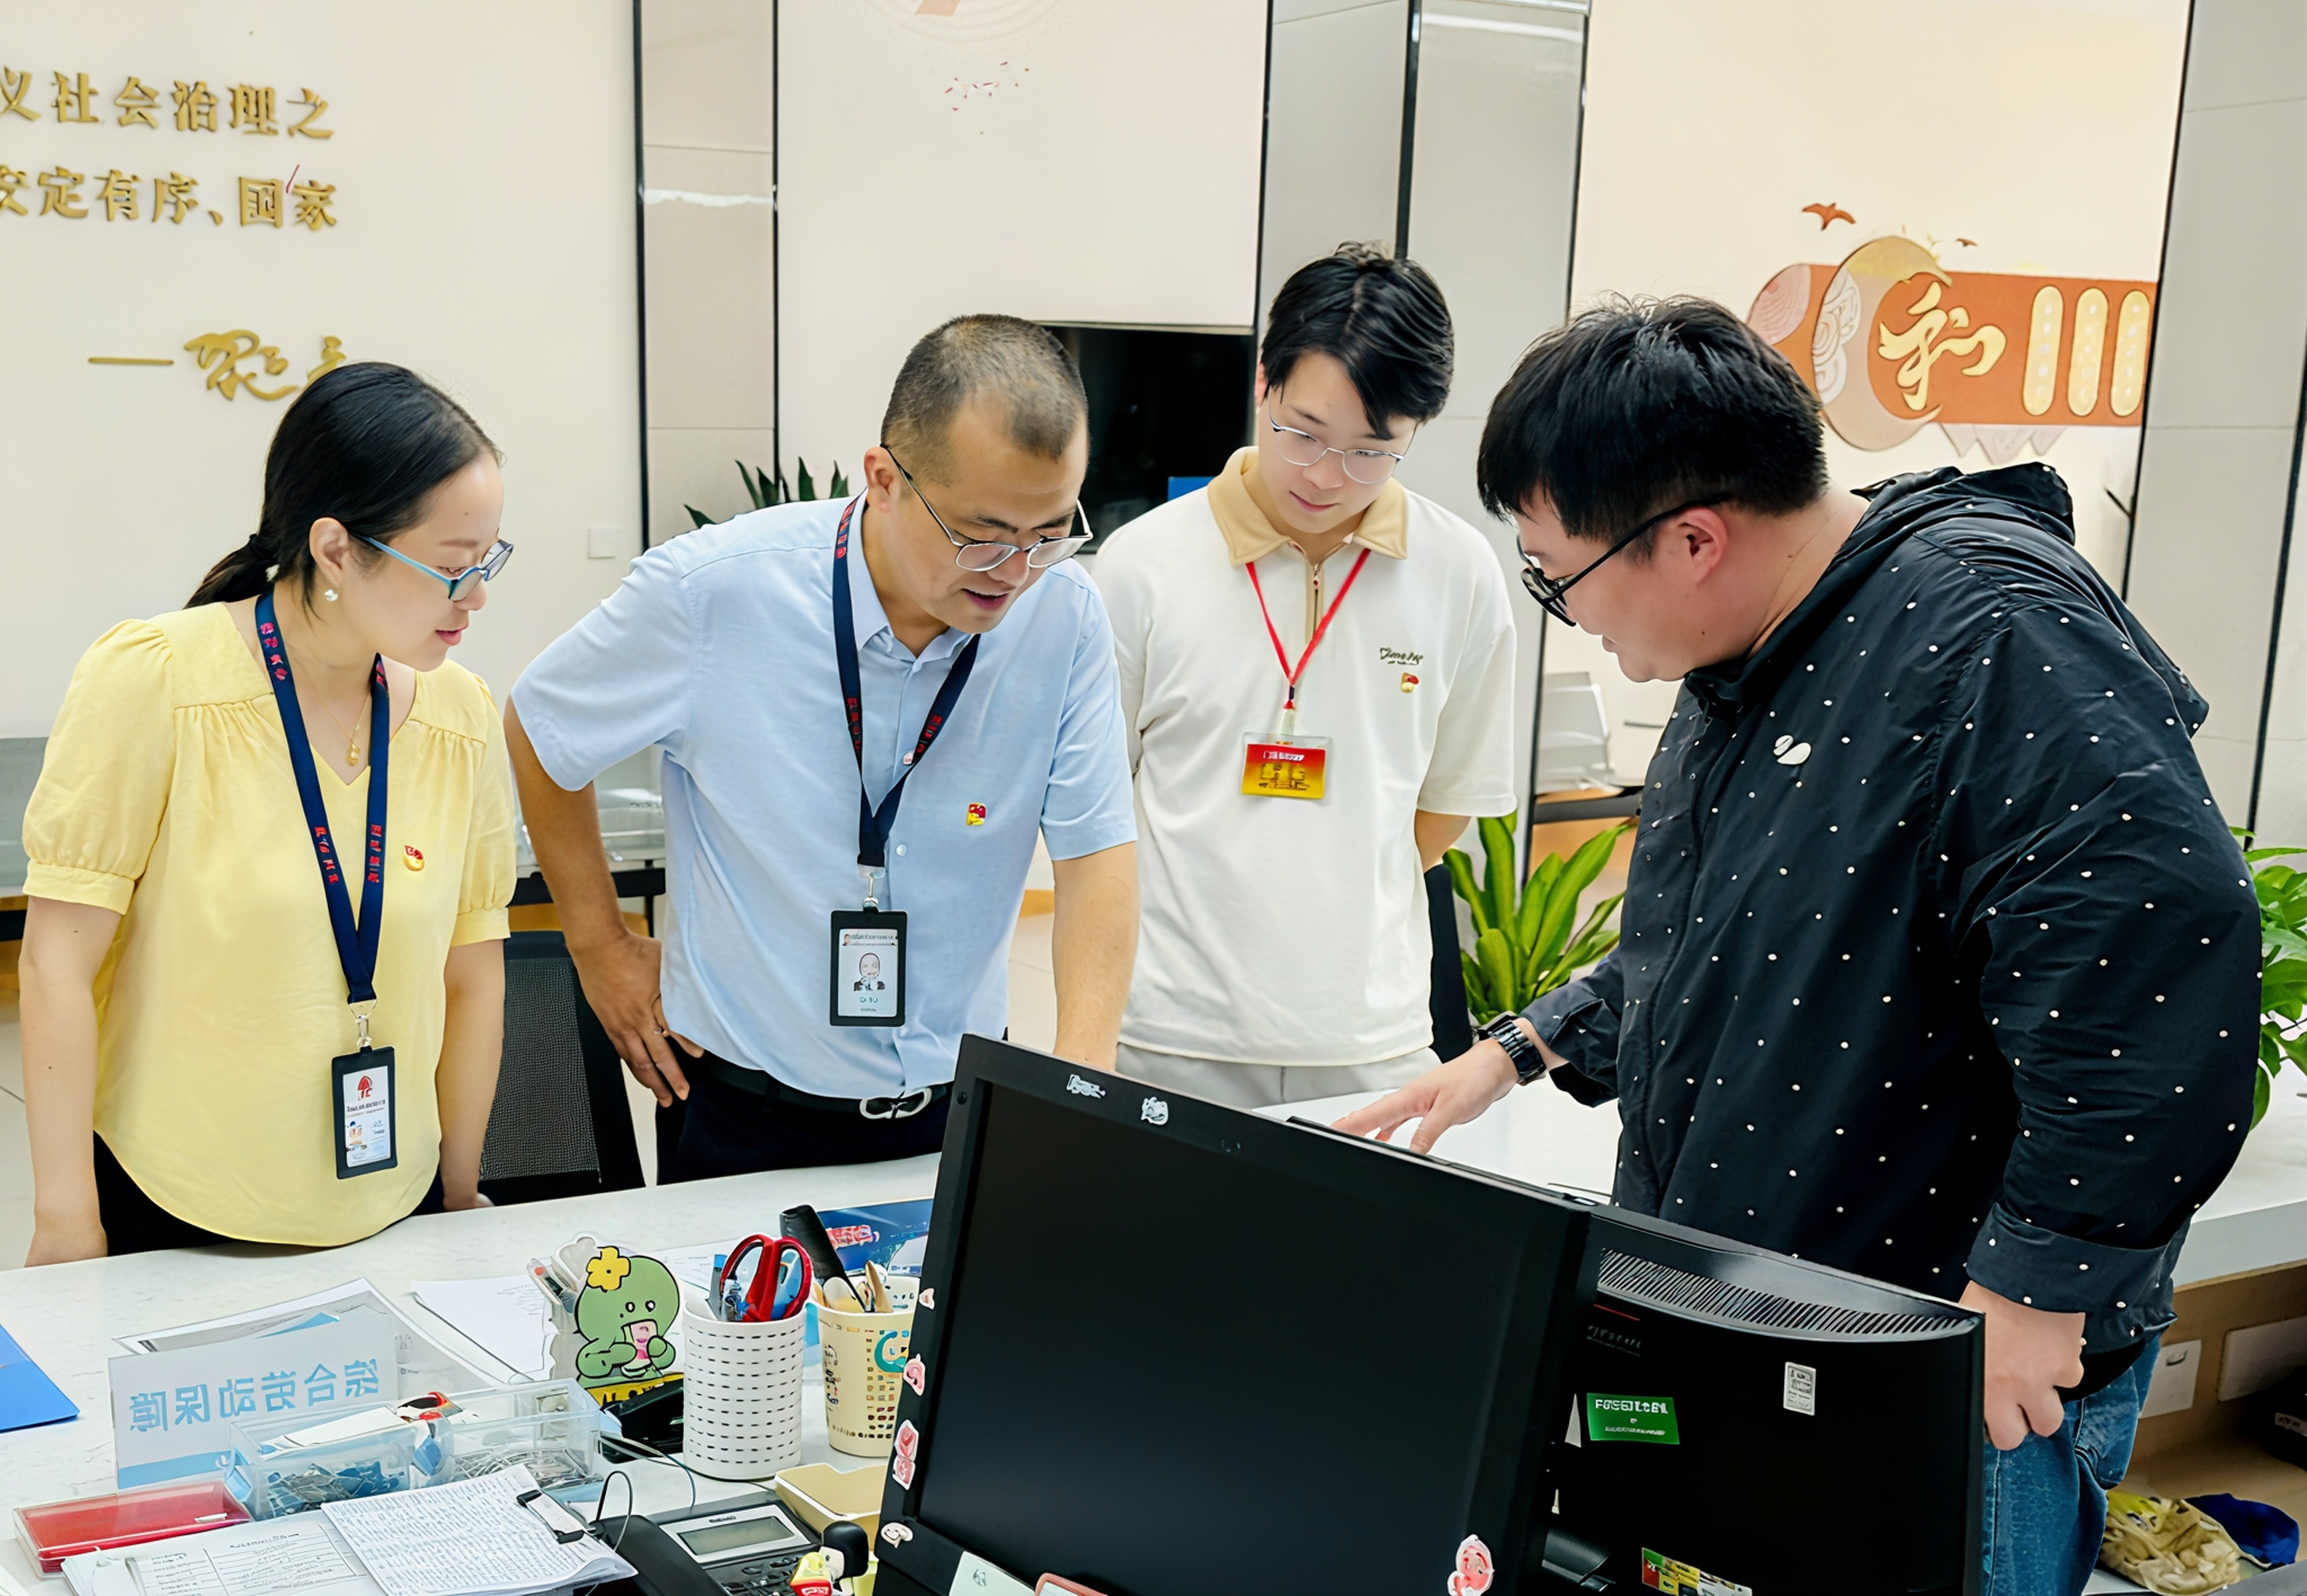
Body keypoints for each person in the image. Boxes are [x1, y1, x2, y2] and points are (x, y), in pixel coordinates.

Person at [1336, 297, 2259, 1595]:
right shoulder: (1752, 653)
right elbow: (1730, 940)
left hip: (1944, 1360)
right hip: (1768, 1320)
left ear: (1692, 539)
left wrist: (2038, 1288)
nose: (1565, 614)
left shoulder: (1988, 634)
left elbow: (2162, 955)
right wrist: (1515, 1051)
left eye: (1558, 577)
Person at [507, 314, 1138, 1177]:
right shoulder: (717, 594)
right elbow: (543, 726)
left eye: (1049, 534)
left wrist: (1082, 1073)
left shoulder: (1063, 615)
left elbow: (1096, 851)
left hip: (959, 1107)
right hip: (746, 1112)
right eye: (982, 536)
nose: (1013, 573)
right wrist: (598, 945)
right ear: (884, 479)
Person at [20, 362, 517, 1260]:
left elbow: (471, 973)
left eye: (488, 561)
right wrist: (66, 1221)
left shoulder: (460, 716)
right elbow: (55, 964)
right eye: (452, 568)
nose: (477, 594)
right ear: (336, 549)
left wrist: (456, 1190)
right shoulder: (158, 679)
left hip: (391, 1202)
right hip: (174, 1204)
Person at [1097, 243, 1516, 1106]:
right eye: (1303, 434)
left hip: (1373, 1040)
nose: (1327, 476)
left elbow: (1448, 803)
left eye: (1371, 450)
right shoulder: (1142, 564)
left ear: (1416, 430)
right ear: (1263, 383)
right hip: (1171, 1033)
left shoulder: (1460, 571)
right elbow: (1100, 804)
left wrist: (1339, 888)